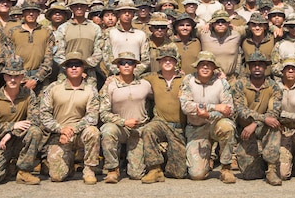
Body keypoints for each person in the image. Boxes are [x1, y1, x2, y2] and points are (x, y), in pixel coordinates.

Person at [22, 52, 102, 184]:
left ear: (83, 68)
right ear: (65, 68)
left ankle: (89, 170)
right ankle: (69, 165)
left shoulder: (91, 90)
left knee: (93, 132)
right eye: (70, 65)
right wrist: (61, 129)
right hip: (59, 135)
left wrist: (72, 129)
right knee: (57, 177)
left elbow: (92, 116)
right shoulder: (54, 88)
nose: (74, 68)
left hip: (80, 133)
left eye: (77, 65)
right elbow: (44, 114)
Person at [0, 56, 36, 185]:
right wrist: (12, 126)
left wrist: (11, 133)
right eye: (9, 76)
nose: (13, 79)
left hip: (19, 141)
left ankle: (23, 171)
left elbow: (34, 121)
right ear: (4, 77)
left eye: (17, 76)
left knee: (35, 131)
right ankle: (9, 166)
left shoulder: (29, 94)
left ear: (22, 77)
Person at [179, 52, 238, 183]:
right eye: (202, 65)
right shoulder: (188, 80)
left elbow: (229, 109)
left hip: (216, 124)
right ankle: (205, 161)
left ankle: (225, 169)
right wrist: (215, 107)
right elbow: (186, 106)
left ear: (213, 68)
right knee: (197, 175)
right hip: (196, 127)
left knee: (227, 127)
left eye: (209, 65)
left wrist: (209, 115)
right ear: (197, 67)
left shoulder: (221, 82)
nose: (205, 68)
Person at [98, 51, 153, 183]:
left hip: (139, 130)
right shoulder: (110, 85)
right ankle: (113, 169)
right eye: (122, 63)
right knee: (107, 130)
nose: (126, 65)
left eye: (130, 62)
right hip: (120, 128)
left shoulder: (145, 84)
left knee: (136, 174)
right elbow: (103, 113)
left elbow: (155, 101)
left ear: (135, 66)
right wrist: (123, 122)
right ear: (118, 66)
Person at [137, 45, 191, 182]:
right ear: (159, 62)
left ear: (175, 62)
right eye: (164, 60)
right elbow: (130, 77)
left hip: (178, 127)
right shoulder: (151, 77)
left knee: (179, 173)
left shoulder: (185, 79)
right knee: (149, 129)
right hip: (160, 122)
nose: (167, 62)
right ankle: (155, 169)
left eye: (171, 60)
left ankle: (169, 160)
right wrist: (111, 79)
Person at [231, 52, 283, 184]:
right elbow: (241, 110)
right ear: (249, 67)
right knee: (250, 174)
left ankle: (271, 170)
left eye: (260, 64)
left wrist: (256, 123)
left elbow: (274, 112)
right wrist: (260, 119)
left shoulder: (274, 86)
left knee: (274, 126)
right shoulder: (240, 85)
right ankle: (260, 161)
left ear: (266, 67)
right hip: (244, 130)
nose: (257, 67)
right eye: (253, 65)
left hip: (263, 128)